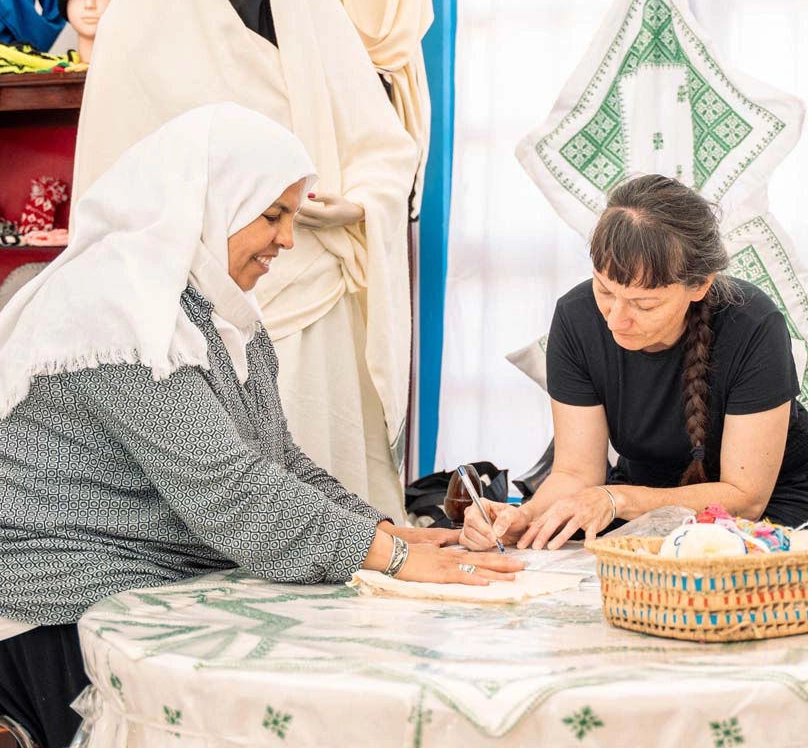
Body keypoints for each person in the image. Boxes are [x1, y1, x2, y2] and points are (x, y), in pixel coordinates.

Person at [0, 104, 520, 748]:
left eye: (291, 218)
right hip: (65, 612)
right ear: (206, 199)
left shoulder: (213, 314)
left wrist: (387, 532)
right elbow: (234, 493)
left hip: (157, 585)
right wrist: (388, 558)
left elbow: (276, 463)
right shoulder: (116, 312)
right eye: (271, 215)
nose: (286, 240)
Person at [70, 0, 417, 517]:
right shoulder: (137, 24)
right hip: (189, 309)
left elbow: (382, 147)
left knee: (318, 466)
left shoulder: (310, 18)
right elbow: (116, 180)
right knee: (218, 494)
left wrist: (352, 205)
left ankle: (351, 564)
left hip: (312, 281)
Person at [461, 174, 808, 552]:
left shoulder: (753, 324)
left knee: (713, 556)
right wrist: (522, 516)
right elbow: (576, 474)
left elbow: (746, 499)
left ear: (699, 285)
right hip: (641, 504)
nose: (616, 319)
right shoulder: (576, 317)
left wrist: (615, 499)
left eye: (644, 304)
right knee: (582, 554)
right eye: (605, 291)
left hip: (782, 505)